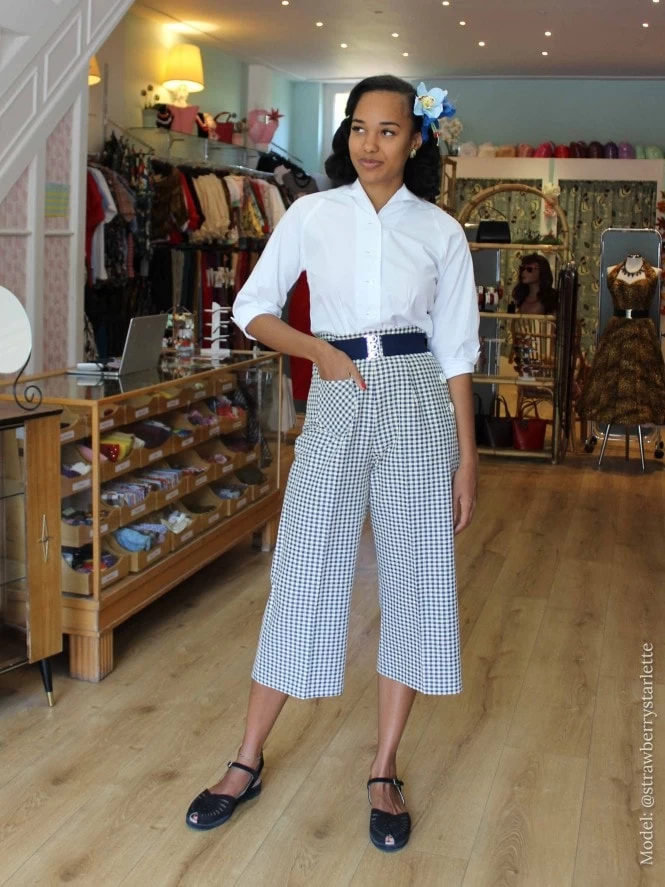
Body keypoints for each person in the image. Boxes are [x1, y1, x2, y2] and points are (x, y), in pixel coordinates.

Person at [184, 75, 480, 853]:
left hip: (417, 395)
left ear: (414, 139)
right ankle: (246, 757)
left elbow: (456, 352)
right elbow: (252, 308)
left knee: (416, 576)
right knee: (303, 567)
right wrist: (316, 350)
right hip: (339, 386)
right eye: (358, 127)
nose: (369, 144)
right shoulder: (312, 214)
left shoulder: (439, 231)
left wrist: (467, 457)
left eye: (387, 130)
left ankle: (383, 768)